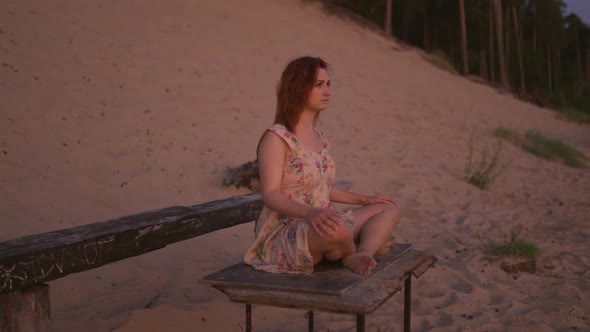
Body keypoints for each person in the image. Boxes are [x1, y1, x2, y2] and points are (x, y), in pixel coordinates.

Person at [244, 56, 399, 276]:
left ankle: (361, 253)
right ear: (298, 88)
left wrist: (365, 200)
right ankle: (347, 251)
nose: (327, 91)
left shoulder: (319, 137)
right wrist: (310, 213)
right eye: (319, 85)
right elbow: (270, 194)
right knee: (339, 231)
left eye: (328, 84)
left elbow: (323, 188)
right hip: (287, 230)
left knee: (388, 208)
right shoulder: (277, 138)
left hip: (323, 221)